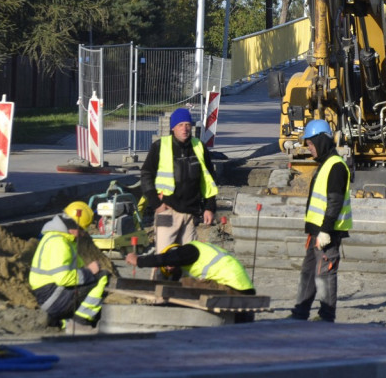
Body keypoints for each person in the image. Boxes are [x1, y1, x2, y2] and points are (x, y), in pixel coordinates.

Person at [289, 119, 352, 322]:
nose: (310, 148)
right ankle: (300, 313)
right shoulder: (325, 165)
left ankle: (326, 317)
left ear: (321, 141)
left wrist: (325, 230)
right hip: (316, 231)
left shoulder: (335, 167)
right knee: (308, 273)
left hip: (328, 232)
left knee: (325, 273)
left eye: (311, 144)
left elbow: (334, 202)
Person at [140, 107, 218, 254]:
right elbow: (146, 174)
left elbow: (209, 180)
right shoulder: (160, 146)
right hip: (166, 212)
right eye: (180, 125)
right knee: (163, 258)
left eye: (188, 125)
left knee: (189, 259)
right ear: (173, 128)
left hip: (190, 214)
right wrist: (156, 204)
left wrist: (209, 207)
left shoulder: (199, 147)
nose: (185, 129)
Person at [28, 202, 109, 330]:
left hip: (49, 294)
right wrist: (90, 272)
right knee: (102, 277)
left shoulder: (59, 238)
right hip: (51, 297)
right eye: (82, 229)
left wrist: (87, 270)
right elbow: (63, 278)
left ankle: (62, 321)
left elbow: (74, 270)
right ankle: (81, 322)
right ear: (73, 226)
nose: (83, 234)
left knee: (93, 278)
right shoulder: (59, 243)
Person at [125, 240, 255, 294]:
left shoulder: (188, 250)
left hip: (236, 289)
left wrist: (139, 260)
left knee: (184, 285)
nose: (170, 268)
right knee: (186, 283)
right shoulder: (197, 252)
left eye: (170, 265)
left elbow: (164, 258)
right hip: (242, 287)